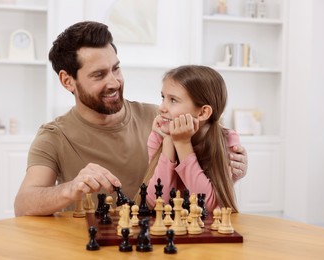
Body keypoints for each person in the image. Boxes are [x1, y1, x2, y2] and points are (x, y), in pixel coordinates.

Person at [14, 21, 248, 216]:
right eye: (99, 75)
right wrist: (70, 188)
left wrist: (229, 171)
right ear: (67, 81)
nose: (114, 82)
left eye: (116, 69)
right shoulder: (54, 136)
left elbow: (201, 190)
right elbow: (23, 204)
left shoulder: (159, 119)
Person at [141, 65, 245, 213]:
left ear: (203, 113)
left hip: (208, 228)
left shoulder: (227, 139)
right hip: (169, 227)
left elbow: (206, 205)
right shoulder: (159, 136)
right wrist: (169, 141)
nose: (161, 108)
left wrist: (183, 144)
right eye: (163, 97)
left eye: (173, 100)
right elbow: (156, 202)